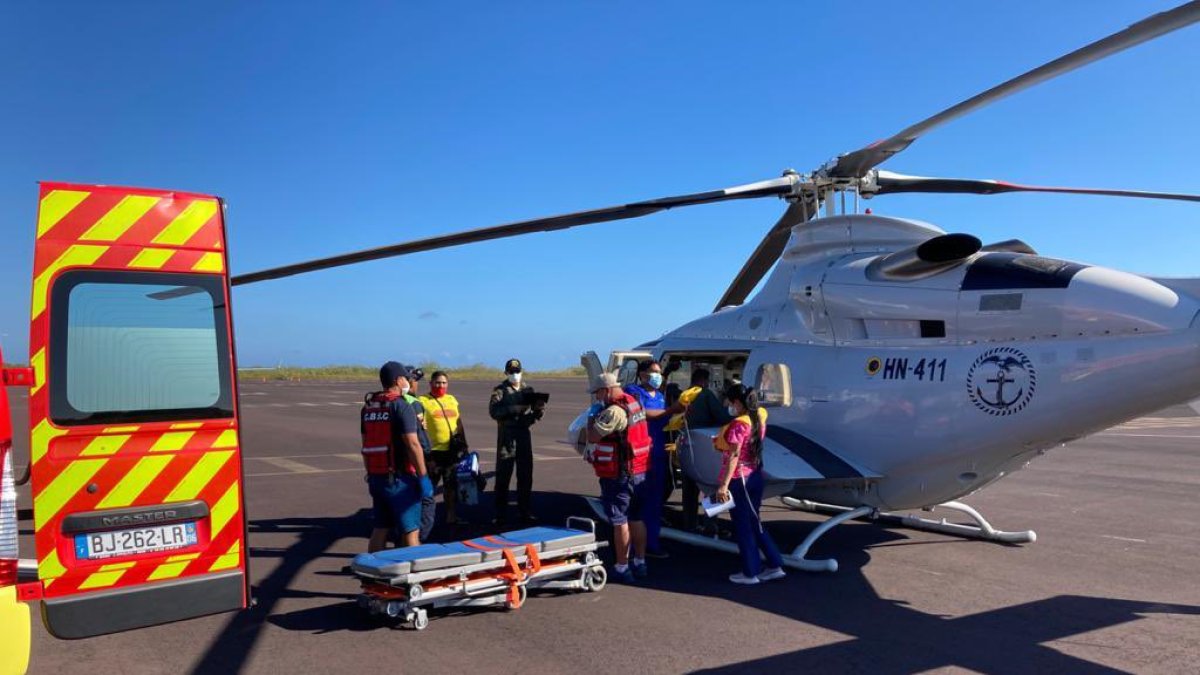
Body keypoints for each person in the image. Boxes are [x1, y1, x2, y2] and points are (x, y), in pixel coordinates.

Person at [712, 383, 785, 584]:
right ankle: (774, 563)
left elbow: (734, 455)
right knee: (755, 522)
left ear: (737, 402)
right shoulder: (759, 417)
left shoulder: (738, 425)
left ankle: (750, 572)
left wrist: (723, 485)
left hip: (740, 479)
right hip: (755, 476)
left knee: (743, 526)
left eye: (730, 402)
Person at [361, 362, 433, 552]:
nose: (407, 381)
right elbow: (412, 443)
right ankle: (414, 574)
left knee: (380, 528)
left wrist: (370, 474)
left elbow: (365, 443)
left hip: (377, 476)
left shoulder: (369, 407)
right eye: (405, 378)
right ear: (397, 380)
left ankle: (373, 572)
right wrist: (423, 477)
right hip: (400, 479)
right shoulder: (401, 405)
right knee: (411, 531)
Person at [585, 372, 651, 583]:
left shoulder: (613, 411)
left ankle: (622, 567)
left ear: (606, 390)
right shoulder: (635, 403)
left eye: (597, 393)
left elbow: (593, 435)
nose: (597, 398)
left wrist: (591, 417)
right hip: (640, 472)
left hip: (620, 475)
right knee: (637, 518)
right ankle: (640, 562)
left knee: (619, 520)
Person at [623, 360, 683, 558]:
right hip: (639, 453)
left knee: (655, 502)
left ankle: (651, 543)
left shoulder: (659, 396)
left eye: (659, 373)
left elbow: (663, 417)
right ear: (642, 374)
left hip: (657, 453)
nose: (658, 377)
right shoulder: (633, 392)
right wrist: (670, 411)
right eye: (653, 372)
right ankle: (630, 544)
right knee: (636, 501)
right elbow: (642, 413)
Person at [488, 358, 545, 524]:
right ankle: (500, 514)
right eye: (511, 372)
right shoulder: (500, 390)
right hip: (507, 435)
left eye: (517, 371)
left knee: (525, 475)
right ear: (506, 373)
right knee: (503, 476)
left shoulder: (528, 390)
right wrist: (512, 409)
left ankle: (525, 511)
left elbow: (536, 415)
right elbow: (493, 412)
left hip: (523, 435)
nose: (515, 375)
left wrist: (539, 410)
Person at [680, 367, 732, 531]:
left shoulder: (684, 396)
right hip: (704, 446)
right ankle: (711, 524)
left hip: (686, 445)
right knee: (711, 485)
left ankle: (690, 524)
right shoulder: (706, 394)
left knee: (689, 489)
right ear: (704, 381)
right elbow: (722, 417)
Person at [419, 370, 467, 527]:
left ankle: (451, 517)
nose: (441, 385)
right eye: (437, 382)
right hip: (434, 452)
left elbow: (458, 423)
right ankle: (424, 521)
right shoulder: (423, 401)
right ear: (431, 383)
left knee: (451, 487)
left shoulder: (451, 399)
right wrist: (427, 456)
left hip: (452, 451)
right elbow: (420, 428)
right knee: (429, 489)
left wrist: (464, 444)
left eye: (444, 383)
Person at [402, 366, 437, 541]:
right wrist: (428, 458)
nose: (416, 385)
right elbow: (419, 436)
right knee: (426, 501)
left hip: (397, 462)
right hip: (415, 461)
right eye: (415, 381)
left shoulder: (391, 401)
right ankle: (419, 541)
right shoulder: (412, 403)